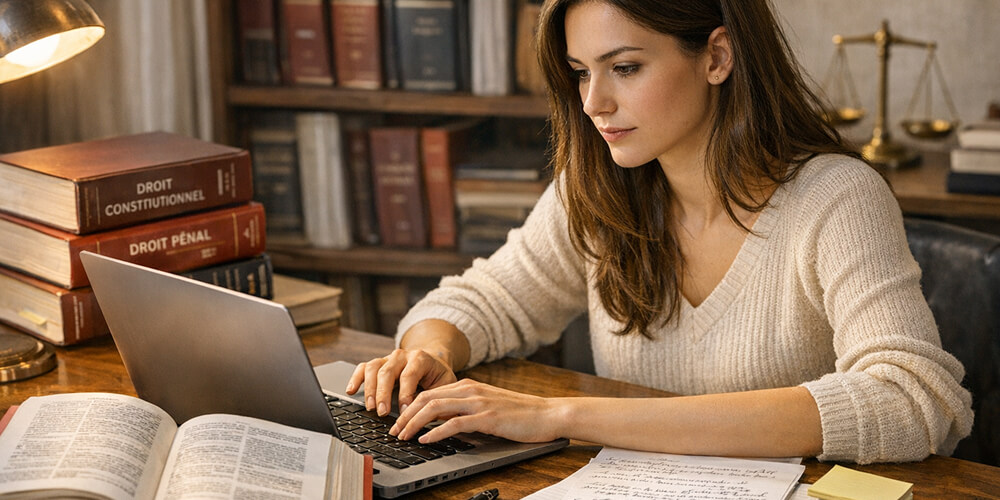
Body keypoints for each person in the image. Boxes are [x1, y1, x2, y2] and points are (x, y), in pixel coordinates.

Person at [347, 0, 974, 464]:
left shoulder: (837, 198)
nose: (593, 103)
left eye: (624, 67)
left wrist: (562, 415)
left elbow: (911, 400)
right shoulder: (596, 189)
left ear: (717, 57)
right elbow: (484, 299)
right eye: (581, 72)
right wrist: (430, 353)